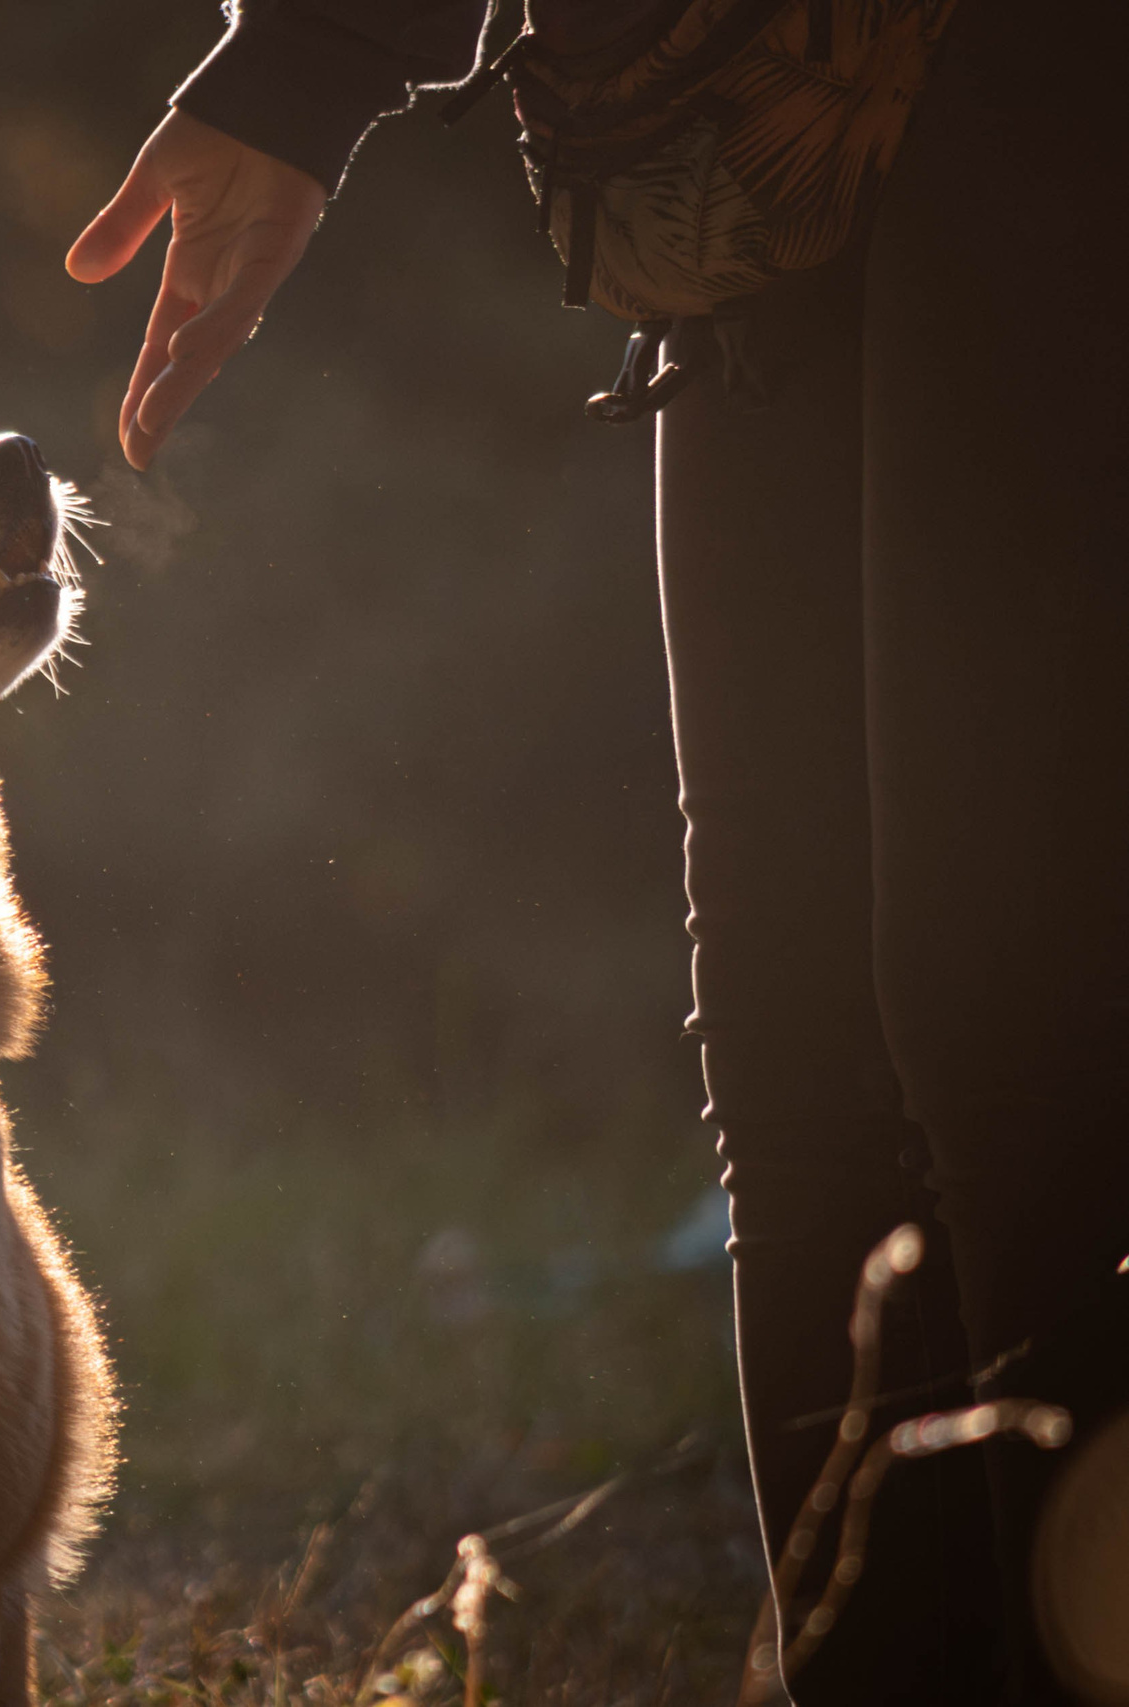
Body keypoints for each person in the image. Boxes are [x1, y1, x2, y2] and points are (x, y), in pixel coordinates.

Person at [67, 3, 1129, 1703]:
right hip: (743, 111)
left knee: (1004, 1032)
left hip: (1046, 98)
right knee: (805, 1067)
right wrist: (305, 69)